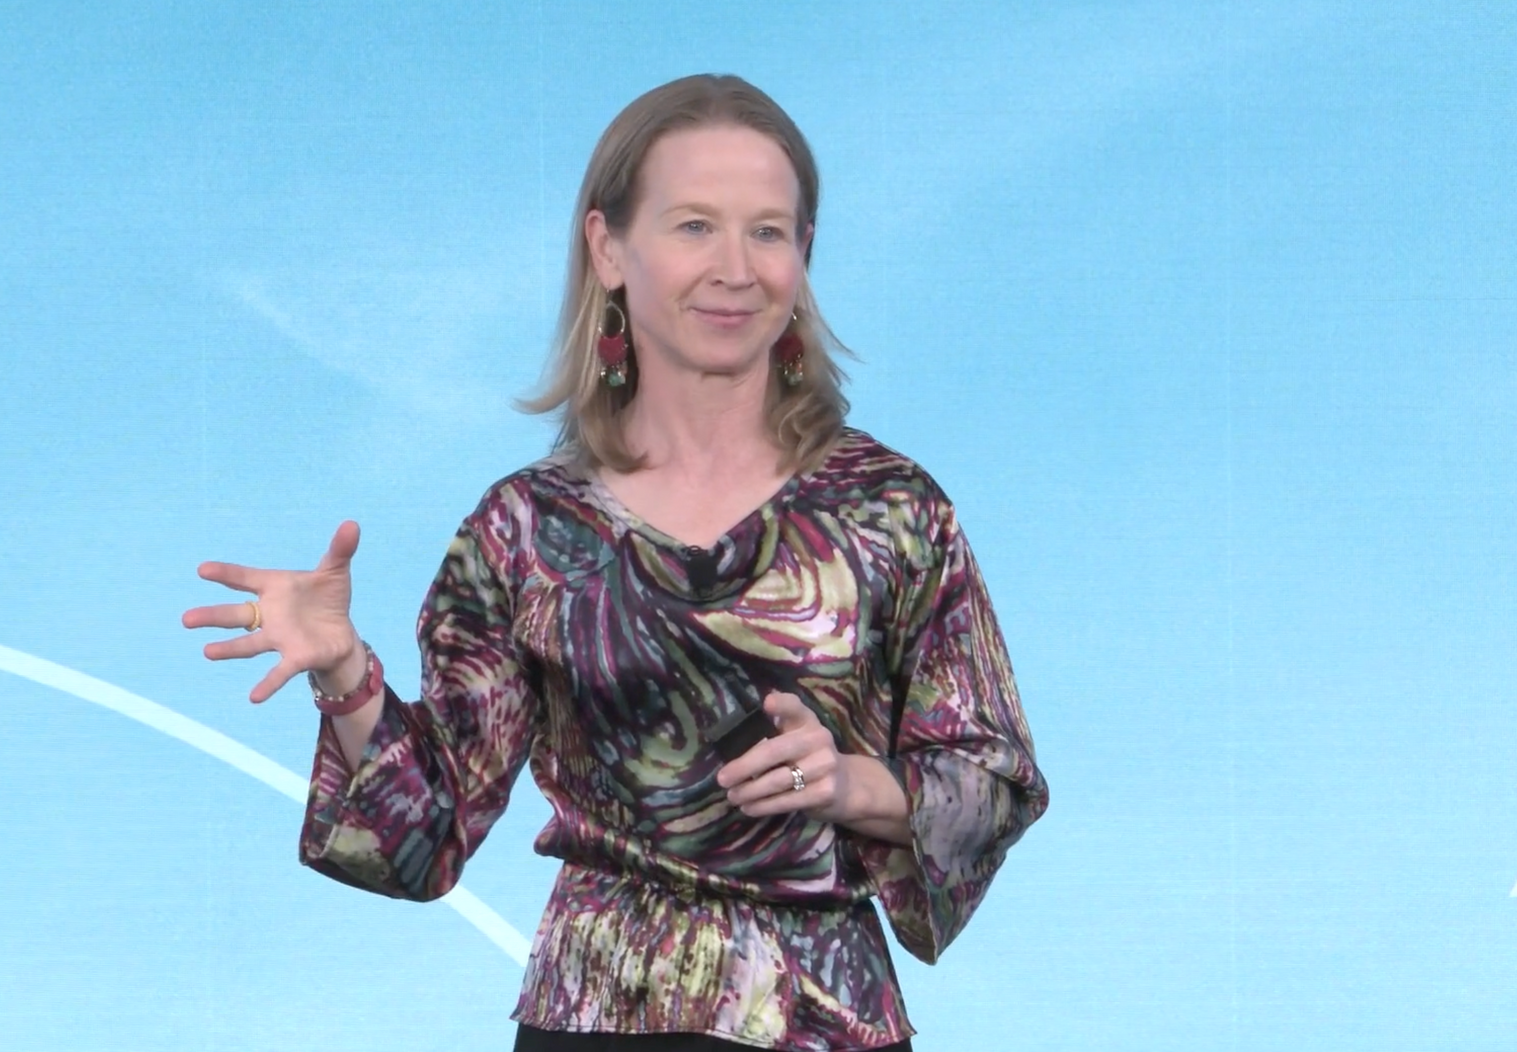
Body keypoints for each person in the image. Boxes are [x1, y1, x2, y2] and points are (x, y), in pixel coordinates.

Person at [184, 73, 1047, 1052]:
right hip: (592, 1016)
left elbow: (994, 779)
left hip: (825, 1018)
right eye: (694, 226)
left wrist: (853, 785)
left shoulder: (892, 510)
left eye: (767, 231)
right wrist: (345, 674)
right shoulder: (525, 527)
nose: (735, 267)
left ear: (803, 253)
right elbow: (416, 841)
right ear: (608, 247)